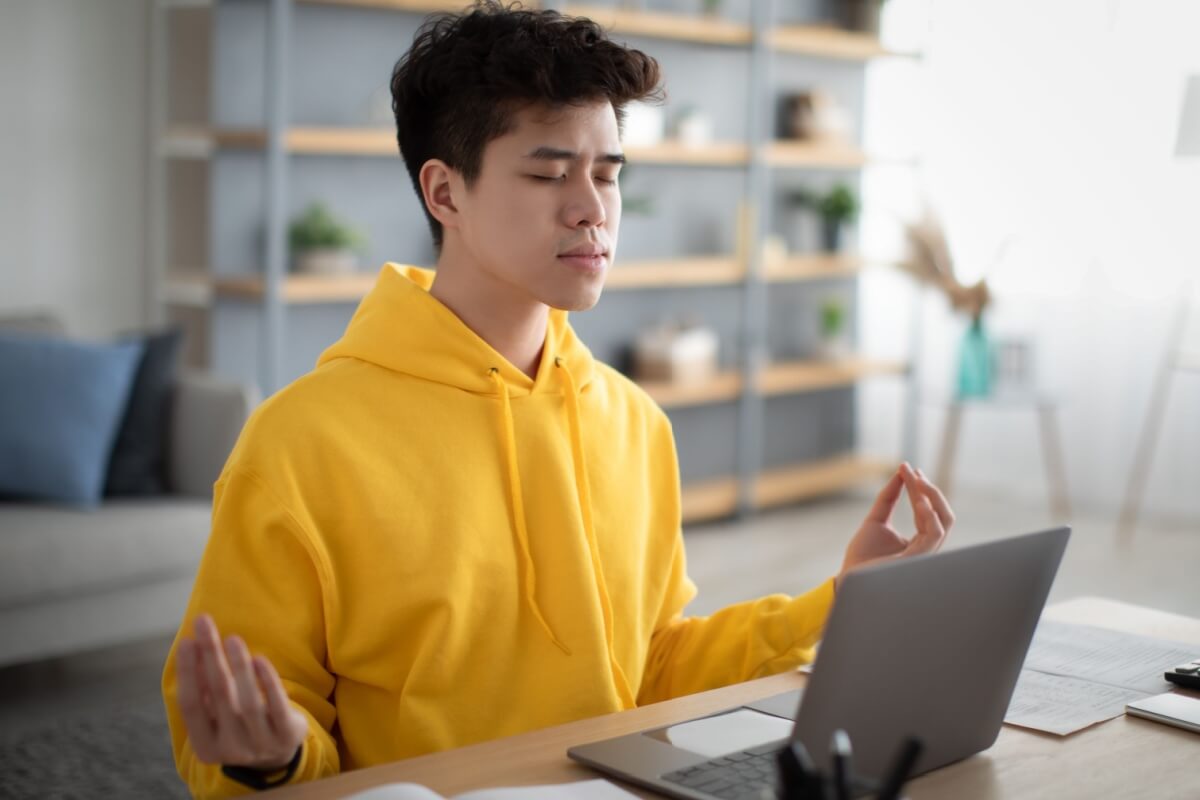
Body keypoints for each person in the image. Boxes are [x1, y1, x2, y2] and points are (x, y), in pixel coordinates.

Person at [162, 2, 955, 796]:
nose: (592, 208)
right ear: (444, 193)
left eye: (608, 173)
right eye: (548, 173)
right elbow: (249, 732)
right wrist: (270, 754)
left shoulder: (633, 421)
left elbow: (648, 668)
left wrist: (838, 604)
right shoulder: (299, 443)